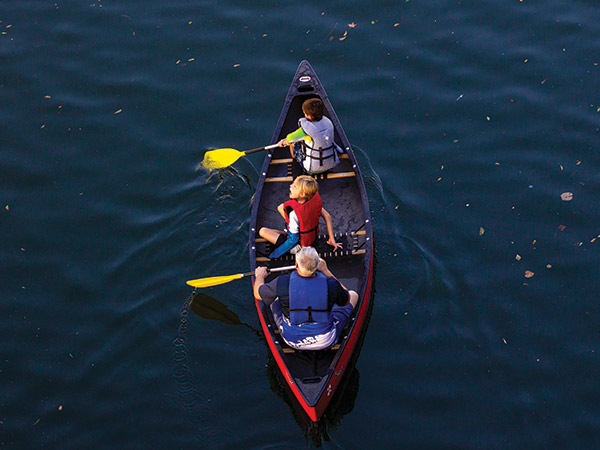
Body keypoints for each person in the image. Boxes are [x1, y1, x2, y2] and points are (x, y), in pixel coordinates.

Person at [253, 247, 359, 350]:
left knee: (275, 297)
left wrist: (260, 276)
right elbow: (347, 300)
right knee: (353, 295)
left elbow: (257, 294)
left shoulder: (282, 283)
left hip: (292, 342)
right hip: (326, 341)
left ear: (296, 265)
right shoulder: (331, 284)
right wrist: (326, 270)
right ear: (317, 265)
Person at [259, 175, 342, 259]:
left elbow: (293, 240)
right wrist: (331, 238)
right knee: (281, 207)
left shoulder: (293, 213)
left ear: (302, 194)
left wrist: (275, 254)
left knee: (262, 231)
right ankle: (288, 233)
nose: (290, 186)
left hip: (300, 244)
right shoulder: (312, 198)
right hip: (312, 236)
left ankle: (294, 249)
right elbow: (327, 216)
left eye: (294, 187)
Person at [277, 98, 344, 174]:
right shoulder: (328, 122)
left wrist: (282, 142)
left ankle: (296, 162)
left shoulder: (304, 130)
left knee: (293, 144)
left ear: (310, 116)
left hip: (312, 169)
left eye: (305, 113)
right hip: (332, 164)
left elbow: (289, 139)